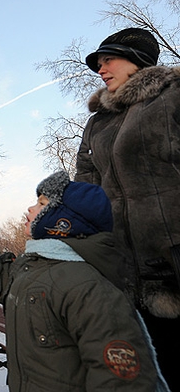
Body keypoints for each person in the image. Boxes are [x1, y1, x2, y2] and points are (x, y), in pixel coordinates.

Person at [0, 171, 168, 391]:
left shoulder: (87, 285)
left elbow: (120, 381)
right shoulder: (34, 268)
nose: (30, 209)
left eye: (41, 203)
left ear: (64, 221)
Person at [76, 27, 180, 389]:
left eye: (109, 60)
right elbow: (86, 190)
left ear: (137, 61)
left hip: (173, 264)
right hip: (125, 272)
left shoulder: (171, 98)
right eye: (99, 64)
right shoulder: (97, 123)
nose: (101, 69)